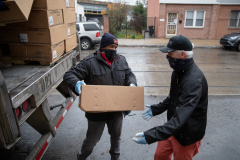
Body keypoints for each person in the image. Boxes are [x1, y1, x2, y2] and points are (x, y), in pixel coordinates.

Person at [132, 35, 208, 160]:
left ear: (182, 55)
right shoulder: (178, 71)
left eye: (170, 53)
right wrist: (156, 109)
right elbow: (173, 97)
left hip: (187, 133)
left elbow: (182, 116)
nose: (167, 56)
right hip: (171, 127)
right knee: (160, 156)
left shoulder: (193, 80)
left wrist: (153, 135)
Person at [63, 33, 137, 160]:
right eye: (111, 46)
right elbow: (69, 75)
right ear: (103, 46)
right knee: (91, 141)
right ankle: (82, 157)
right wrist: (77, 84)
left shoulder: (121, 60)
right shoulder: (90, 62)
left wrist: (132, 83)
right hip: (97, 112)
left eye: (115, 46)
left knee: (116, 138)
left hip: (117, 110)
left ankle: (115, 157)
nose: (114, 49)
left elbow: (129, 73)